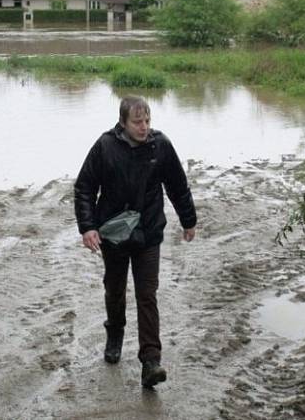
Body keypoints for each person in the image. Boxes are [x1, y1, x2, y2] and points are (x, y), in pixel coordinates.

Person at [74, 95, 197, 389]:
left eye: (147, 121)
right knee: (115, 290)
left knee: (147, 295)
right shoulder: (105, 146)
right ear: (123, 122)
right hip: (114, 234)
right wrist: (88, 227)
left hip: (149, 232)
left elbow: (178, 186)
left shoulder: (161, 145)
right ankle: (115, 333)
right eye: (137, 122)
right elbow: (84, 188)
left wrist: (188, 219)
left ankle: (151, 361)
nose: (144, 127)